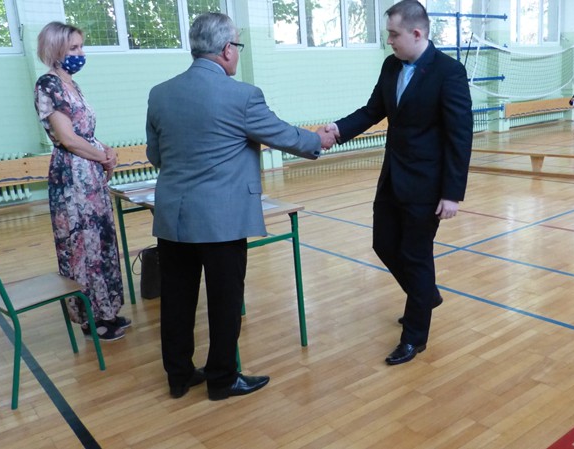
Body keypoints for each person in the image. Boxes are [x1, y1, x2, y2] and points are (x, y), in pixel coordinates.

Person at [146, 12, 335, 401]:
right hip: (222, 219)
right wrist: (319, 139)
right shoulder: (242, 96)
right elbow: (283, 135)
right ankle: (222, 379)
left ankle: (179, 377)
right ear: (227, 49)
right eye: (237, 44)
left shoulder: (160, 93)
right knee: (225, 300)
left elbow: (156, 156)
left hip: (172, 217)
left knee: (177, 299)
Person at [325, 0, 472, 366]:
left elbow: (460, 136)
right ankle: (425, 296)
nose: (389, 41)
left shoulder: (449, 72)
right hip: (392, 177)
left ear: (416, 33)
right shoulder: (391, 66)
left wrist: (452, 193)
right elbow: (373, 111)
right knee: (383, 244)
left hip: (427, 185)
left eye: (393, 34)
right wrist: (338, 130)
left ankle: (414, 337)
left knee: (416, 255)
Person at [34, 22, 129, 341]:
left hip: (89, 177)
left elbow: (85, 133)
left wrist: (107, 150)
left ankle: (107, 310)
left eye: (80, 46)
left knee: (100, 242)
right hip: (72, 178)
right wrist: (102, 157)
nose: (80, 53)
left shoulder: (72, 84)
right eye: (73, 48)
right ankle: (91, 318)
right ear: (56, 49)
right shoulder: (48, 84)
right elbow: (68, 138)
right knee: (82, 246)